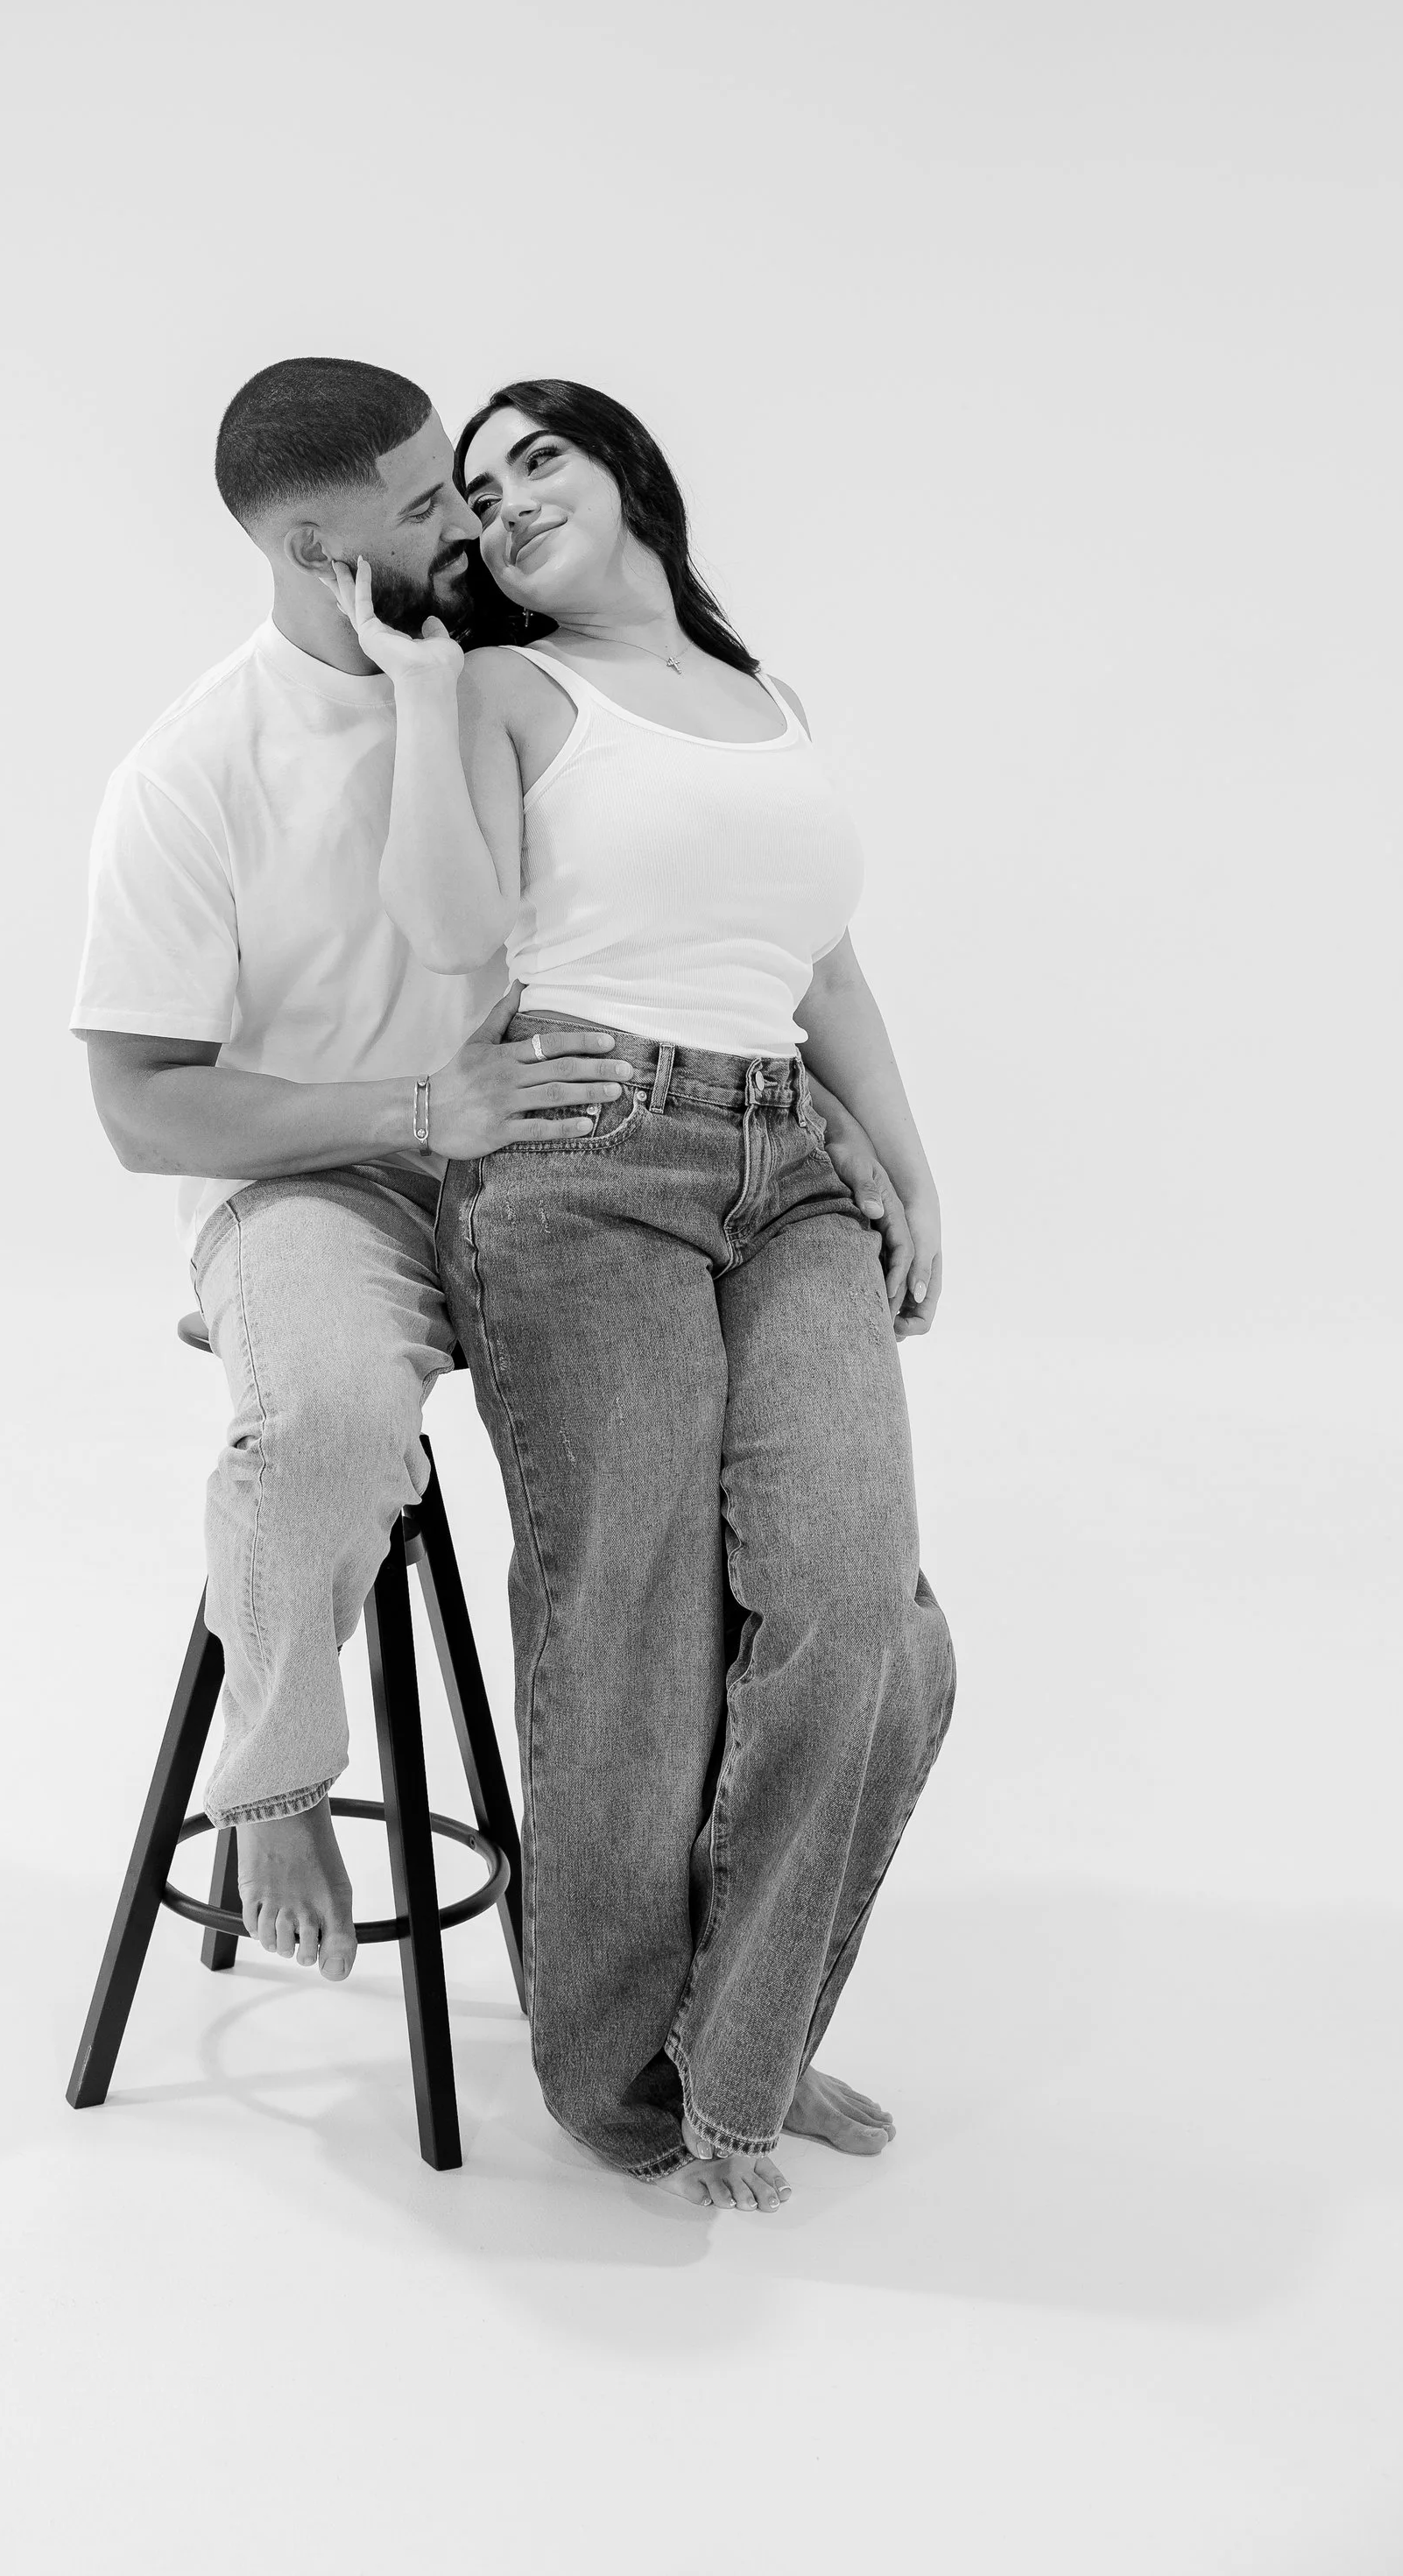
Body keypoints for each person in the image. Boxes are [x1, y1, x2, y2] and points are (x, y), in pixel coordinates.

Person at [71, 357, 921, 2046]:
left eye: (467, 482)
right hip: (333, 1187)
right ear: (320, 552)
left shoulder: (521, 671)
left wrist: (873, 1151)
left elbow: (743, 938)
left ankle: (715, 2014)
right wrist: (415, 1108)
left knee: (788, 1573)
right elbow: (136, 1106)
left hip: (578, 1166)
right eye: (423, 503)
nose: (468, 516)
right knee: (322, 1422)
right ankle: (280, 1771)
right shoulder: (195, 771)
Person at [342, 377, 955, 2211]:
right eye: (476, 487)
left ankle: (739, 2050)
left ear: (624, 474)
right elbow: (451, 934)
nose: (510, 496)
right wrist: (430, 685)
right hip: (582, 1155)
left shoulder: (768, 704)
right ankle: (627, 2087)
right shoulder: (512, 692)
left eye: (540, 456)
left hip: (789, 1167)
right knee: (627, 1632)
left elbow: (821, 962)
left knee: (863, 1613)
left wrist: (908, 1166)